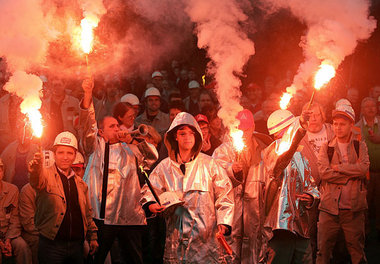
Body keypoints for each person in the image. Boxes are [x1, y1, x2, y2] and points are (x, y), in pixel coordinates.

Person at [80, 78, 157, 264]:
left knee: (135, 259)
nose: (117, 129)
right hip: (101, 217)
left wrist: (131, 141)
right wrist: (88, 94)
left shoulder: (130, 148)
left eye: (117, 125)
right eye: (111, 126)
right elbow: (87, 125)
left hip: (129, 217)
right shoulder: (95, 147)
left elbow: (152, 157)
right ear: (100, 132)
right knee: (96, 259)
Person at [140, 112, 234, 263]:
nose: (187, 137)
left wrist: (224, 221)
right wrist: (151, 205)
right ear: (175, 137)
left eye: (191, 133)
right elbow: (149, 190)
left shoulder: (210, 164)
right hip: (176, 239)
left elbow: (225, 194)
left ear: (197, 136)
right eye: (182, 133)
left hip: (207, 241)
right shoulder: (164, 167)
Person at [28, 131, 98, 263]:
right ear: (54, 154)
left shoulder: (81, 184)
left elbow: (87, 213)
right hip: (52, 246)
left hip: (77, 246)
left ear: (75, 155)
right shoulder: (46, 176)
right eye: (60, 152)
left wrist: (93, 237)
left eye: (69, 153)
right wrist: (36, 168)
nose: (65, 157)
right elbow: (36, 180)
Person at [212, 109, 272, 264]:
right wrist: (231, 169)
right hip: (232, 213)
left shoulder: (264, 150)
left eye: (247, 129)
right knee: (230, 252)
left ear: (252, 128)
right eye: (239, 130)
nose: (244, 134)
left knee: (254, 251)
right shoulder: (223, 150)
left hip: (255, 213)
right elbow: (215, 175)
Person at [263, 109, 320, 264]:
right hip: (280, 229)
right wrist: (300, 125)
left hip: (301, 227)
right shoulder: (270, 154)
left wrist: (311, 197)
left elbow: (312, 186)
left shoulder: (300, 156)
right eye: (292, 127)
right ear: (280, 132)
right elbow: (283, 158)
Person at [317, 104, 369, 264]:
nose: (338, 127)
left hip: (353, 210)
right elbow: (324, 173)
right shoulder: (327, 148)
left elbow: (364, 168)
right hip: (329, 210)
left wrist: (340, 168)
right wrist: (349, 176)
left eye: (342, 124)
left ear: (351, 125)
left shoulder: (359, 146)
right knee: (323, 252)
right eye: (335, 124)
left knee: (357, 252)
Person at [299, 102, 334, 262]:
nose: (313, 118)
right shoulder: (300, 134)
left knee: (330, 232)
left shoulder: (332, 131)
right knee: (310, 230)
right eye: (309, 115)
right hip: (308, 193)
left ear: (323, 116)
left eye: (317, 114)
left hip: (331, 191)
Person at [19, 150, 55, 264]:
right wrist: (48, 233)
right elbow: (28, 223)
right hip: (36, 233)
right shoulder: (27, 191)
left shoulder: (57, 186)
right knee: (38, 242)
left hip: (54, 231)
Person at [355, 97, 380, 238]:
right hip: (365, 174)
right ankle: (366, 233)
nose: (370, 109)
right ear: (362, 110)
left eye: (373, 106)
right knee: (365, 204)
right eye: (367, 106)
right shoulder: (357, 127)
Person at [0, 158, 31, 263]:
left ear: (3, 172)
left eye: (0, 169)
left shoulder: (12, 190)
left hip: (9, 234)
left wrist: (8, 240)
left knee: (22, 247)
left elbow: (15, 218)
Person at [1, 122, 38, 190]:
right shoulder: (9, 150)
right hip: (12, 189)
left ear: (31, 136)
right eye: (22, 133)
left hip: (31, 190)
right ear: (17, 135)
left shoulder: (37, 151)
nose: (24, 136)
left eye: (27, 133)